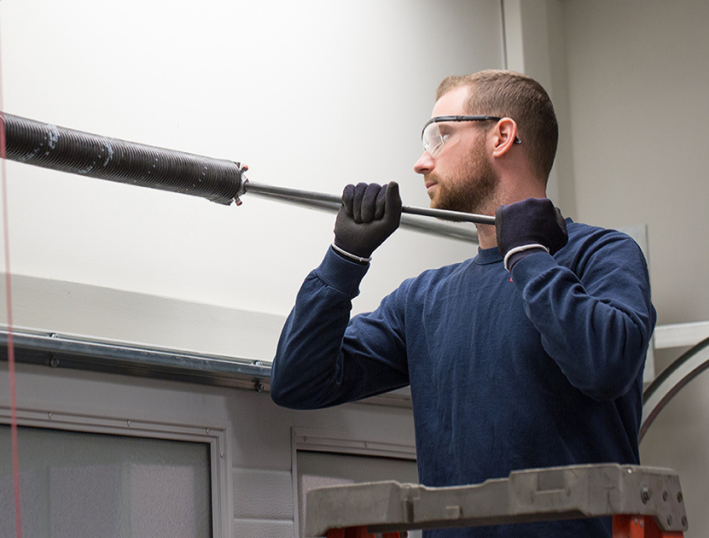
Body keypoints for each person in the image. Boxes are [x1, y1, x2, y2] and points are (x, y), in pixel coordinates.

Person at [270, 70, 655, 538]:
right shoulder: (425, 299)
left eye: (440, 136)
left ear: (502, 136)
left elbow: (604, 366)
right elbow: (298, 382)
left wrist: (528, 254)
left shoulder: (602, 255)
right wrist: (344, 259)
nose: (421, 162)